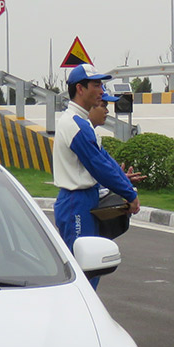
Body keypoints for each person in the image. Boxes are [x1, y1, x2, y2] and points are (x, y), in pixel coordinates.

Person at [53, 64, 140, 251]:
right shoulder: (74, 124)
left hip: (86, 200)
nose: (101, 91)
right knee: (83, 266)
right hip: (75, 203)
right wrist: (129, 194)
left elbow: (105, 159)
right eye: (96, 85)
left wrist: (124, 183)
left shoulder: (82, 123)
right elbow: (98, 165)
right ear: (80, 88)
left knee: (93, 262)